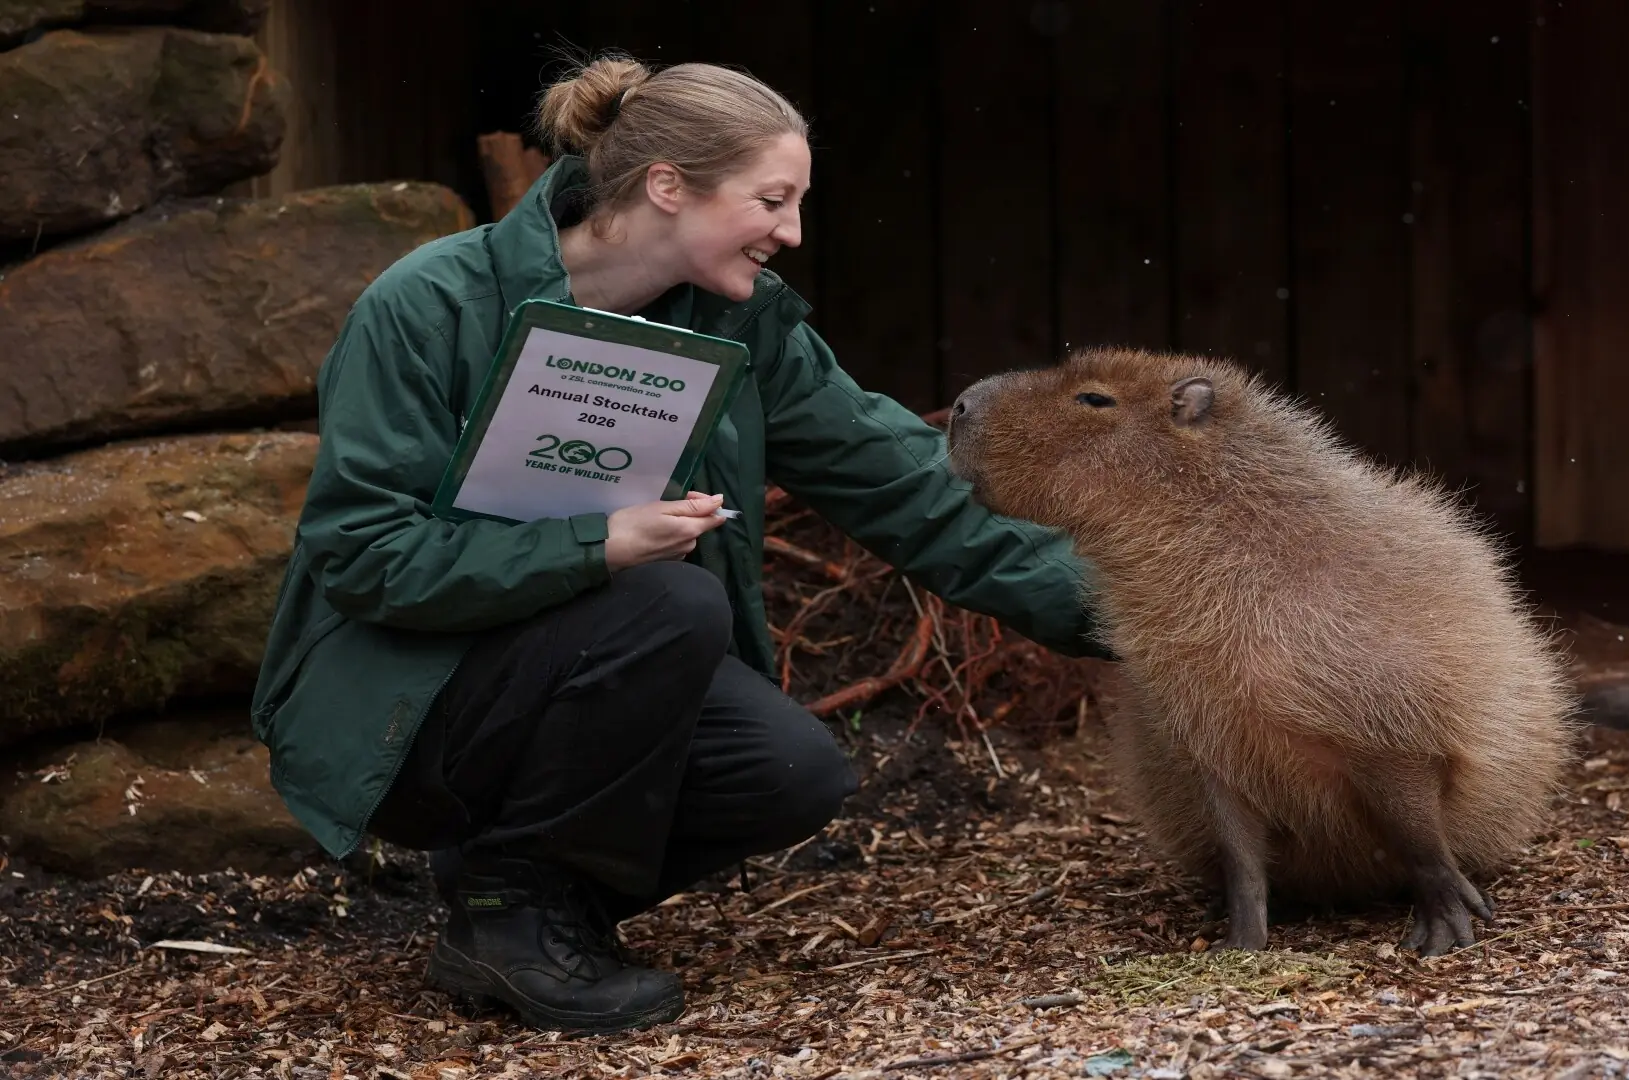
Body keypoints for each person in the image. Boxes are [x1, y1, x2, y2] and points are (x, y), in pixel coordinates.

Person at [250, 54, 1109, 1036]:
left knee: (793, 772)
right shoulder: (428, 304)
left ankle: (516, 903)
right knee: (669, 601)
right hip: (405, 710)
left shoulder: (745, 331)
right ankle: (516, 913)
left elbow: (913, 489)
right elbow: (366, 556)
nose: (791, 232)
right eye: (772, 201)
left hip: (587, 672)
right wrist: (595, 544)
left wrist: (1152, 616)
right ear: (667, 188)